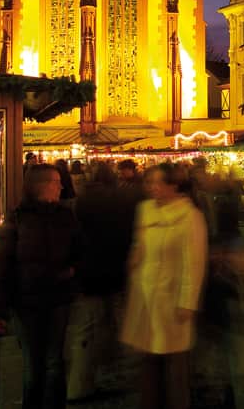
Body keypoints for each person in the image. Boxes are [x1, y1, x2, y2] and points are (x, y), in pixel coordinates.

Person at [0, 163, 81, 409]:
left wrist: (72, 270)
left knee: (54, 362)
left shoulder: (65, 216)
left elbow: (80, 250)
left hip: (58, 299)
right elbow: (1, 264)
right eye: (56, 182)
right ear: (41, 186)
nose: (61, 187)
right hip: (27, 302)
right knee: (34, 365)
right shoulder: (18, 219)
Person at [121, 163, 208, 409]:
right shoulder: (145, 209)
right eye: (149, 182)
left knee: (175, 365)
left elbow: (194, 263)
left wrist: (187, 302)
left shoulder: (190, 216)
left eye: (158, 183)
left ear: (174, 186)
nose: (152, 188)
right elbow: (139, 244)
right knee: (148, 361)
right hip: (145, 297)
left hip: (172, 299)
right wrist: (134, 257)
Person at [66, 163, 144, 401]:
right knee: (114, 321)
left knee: (87, 327)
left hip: (90, 271)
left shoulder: (82, 201)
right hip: (116, 269)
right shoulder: (123, 200)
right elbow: (130, 234)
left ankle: (79, 384)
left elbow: (74, 236)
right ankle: (114, 371)